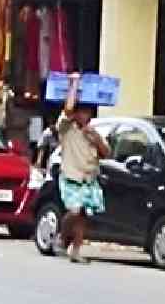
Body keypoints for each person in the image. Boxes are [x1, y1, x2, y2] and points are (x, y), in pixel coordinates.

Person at [56, 73, 110, 264]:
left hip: (89, 178)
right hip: (71, 176)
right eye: (82, 112)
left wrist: (95, 139)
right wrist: (74, 84)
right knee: (74, 210)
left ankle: (76, 250)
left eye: (88, 113)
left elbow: (107, 153)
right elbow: (68, 108)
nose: (85, 116)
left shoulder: (94, 132)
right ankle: (62, 238)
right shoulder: (66, 128)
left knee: (83, 217)